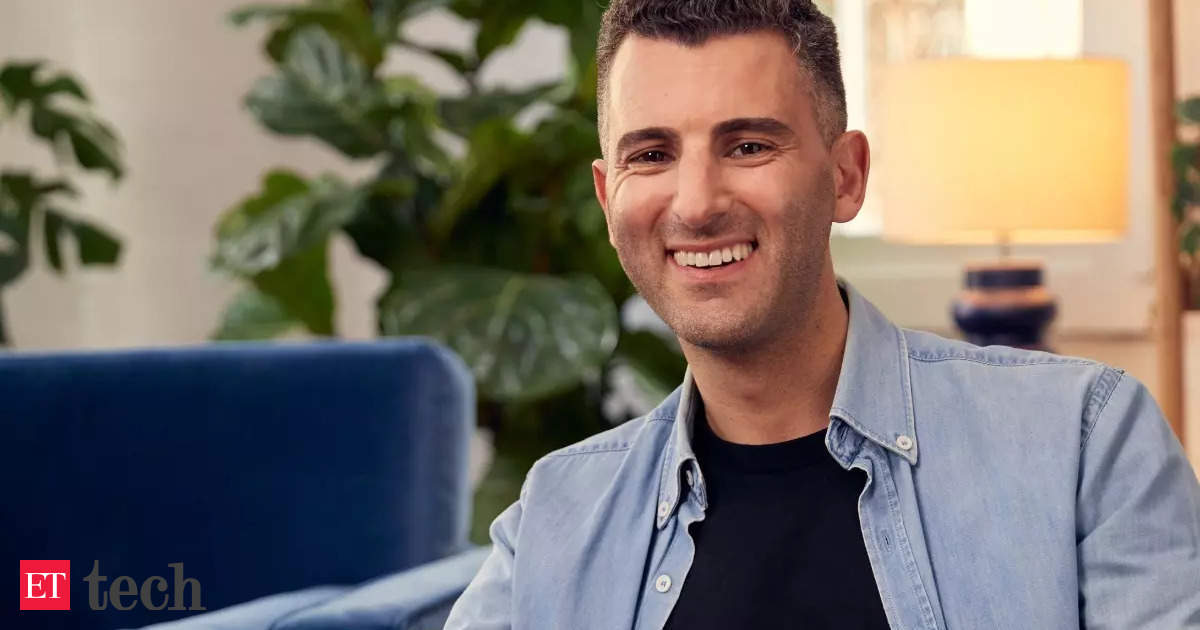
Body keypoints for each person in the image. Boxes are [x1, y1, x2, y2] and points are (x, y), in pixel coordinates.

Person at [445, 1, 1200, 628]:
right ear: (609, 198)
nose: (697, 203)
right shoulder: (556, 517)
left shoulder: (1081, 442)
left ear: (846, 176)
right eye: (651, 155)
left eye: (748, 145)